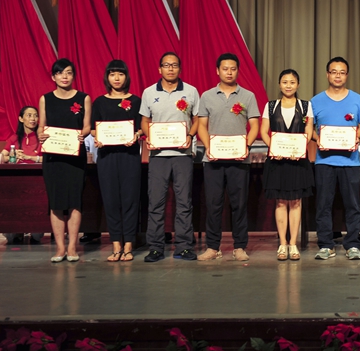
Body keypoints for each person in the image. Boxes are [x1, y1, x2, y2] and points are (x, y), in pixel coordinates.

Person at [197, 53, 261, 262]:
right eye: (225, 69)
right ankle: (212, 247)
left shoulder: (248, 96)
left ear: (237, 71)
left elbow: (254, 126)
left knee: (239, 204)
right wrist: (209, 147)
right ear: (218, 71)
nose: (229, 72)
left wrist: (246, 146)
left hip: (239, 160)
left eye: (233, 69)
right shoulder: (207, 96)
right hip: (213, 160)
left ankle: (239, 247)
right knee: (213, 204)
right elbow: (202, 126)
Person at [140, 52, 200, 262]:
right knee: (156, 201)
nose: (170, 69)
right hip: (158, 155)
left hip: (182, 155)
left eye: (174, 65)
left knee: (184, 201)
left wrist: (190, 136)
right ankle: (156, 247)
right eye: (166, 65)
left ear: (180, 69)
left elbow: (197, 120)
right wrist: (149, 135)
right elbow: (145, 120)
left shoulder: (191, 91)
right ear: (160, 69)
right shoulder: (149, 92)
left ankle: (184, 246)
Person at [311, 56, 360, 261]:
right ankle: (326, 245)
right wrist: (319, 138)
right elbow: (310, 129)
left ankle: (352, 245)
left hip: (350, 161)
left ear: (347, 75)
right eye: (334, 72)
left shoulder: (357, 99)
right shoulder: (315, 101)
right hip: (324, 161)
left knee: (353, 205)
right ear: (327, 74)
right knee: (323, 205)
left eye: (342, 72)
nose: (338, 76)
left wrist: (354, 137)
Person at [38, 58, 91, 263]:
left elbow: (87, 126)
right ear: (53, 77)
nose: (65, 76)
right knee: (56, 202)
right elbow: (41, 126)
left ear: (74, 75)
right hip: (53, 157)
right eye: (60, 73)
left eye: (68, 72)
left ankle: (72, 247)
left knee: (75, 202)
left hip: (75, 156)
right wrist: (40, 134)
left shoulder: (83, 98)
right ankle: (60, 248)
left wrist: (82, 134)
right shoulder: (45, 99)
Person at [91, 60, 143, 262]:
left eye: (120, 74)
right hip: (106, 157)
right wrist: (98, 137)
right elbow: (94, 128)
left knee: (130, 199)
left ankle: (128, 245)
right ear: (107, 77)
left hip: (129, 156)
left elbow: (141, 127)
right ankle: (115, 245)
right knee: (111, 200)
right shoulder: (99, 102)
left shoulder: (136, 101)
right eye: (112, 74)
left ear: (126, 77)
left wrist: (136, 134)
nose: (117, 78)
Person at [260, 69, 314, 261]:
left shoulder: (306, 106)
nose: (288, 85)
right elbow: (264, 131)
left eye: (292, 82)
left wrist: (299, 147)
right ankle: (283, 243)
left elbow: (309, 130)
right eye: (285, 82)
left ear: (298, 85)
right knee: (281, 201)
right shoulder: (271, 106)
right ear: (279, 84)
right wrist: (275, 148)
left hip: (298, 160)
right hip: (277, 161)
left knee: (296, 201)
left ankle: (293, 244)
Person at [1, 106, 44, 244]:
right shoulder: (14, 138)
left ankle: (35, 230)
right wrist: (12, 156)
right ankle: (15, 231)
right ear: (21, 118)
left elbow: (49, 159)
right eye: (29, 115)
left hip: (38, 181)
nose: (33, 119)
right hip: (17, 180)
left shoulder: (42, 137)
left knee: (37, 236)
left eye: (35, 115)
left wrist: (30, 158)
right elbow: (2, 157)